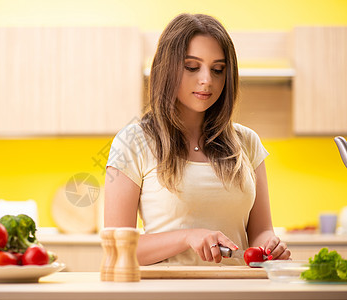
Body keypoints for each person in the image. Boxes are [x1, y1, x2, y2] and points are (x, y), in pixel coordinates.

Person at [104, 13, 291, 266]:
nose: (207, 80)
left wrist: (271, 244)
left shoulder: (247, 142)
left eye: (218, 70)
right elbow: (117, 249)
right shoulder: (133, 142)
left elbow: (260, 232)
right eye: (192, 67)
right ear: (167, 68)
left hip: (241, 290)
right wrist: (187, 237)